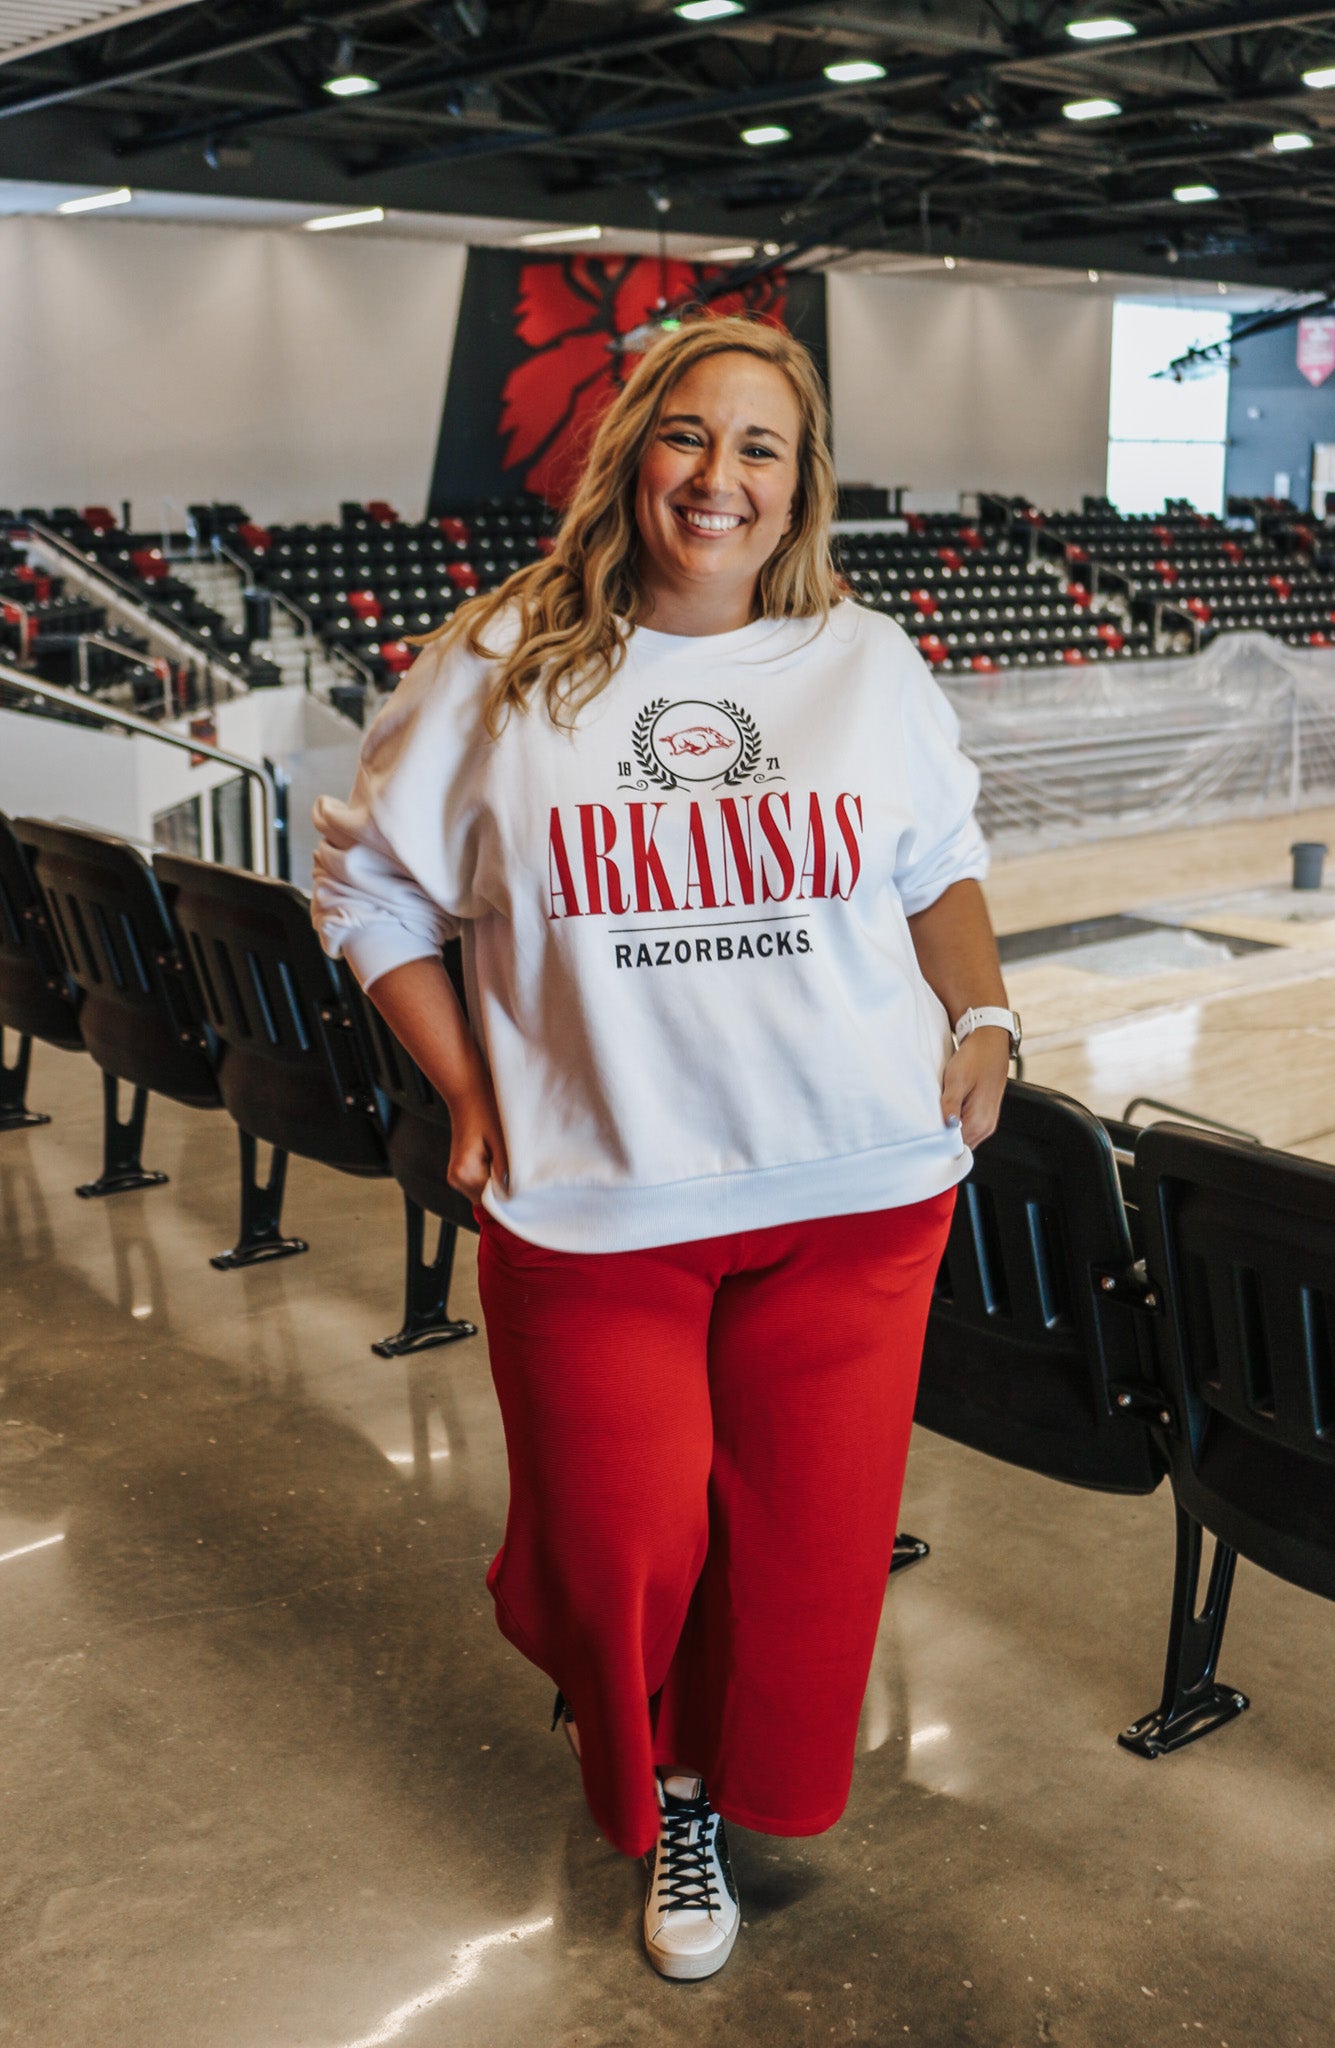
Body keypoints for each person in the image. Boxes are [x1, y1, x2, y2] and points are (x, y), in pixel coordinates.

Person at [311, 312, 1017, 1983]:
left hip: (855, 1194)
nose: (721, 476)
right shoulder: (496, 664)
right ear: (632, 453)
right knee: (623, 1543)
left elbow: (937, 858)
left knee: (798, 1552)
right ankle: (605, 1669)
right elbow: (366, 889)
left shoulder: (865, 657)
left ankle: (694, 1794)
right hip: (595, 1198)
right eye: (689, 436)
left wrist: (985, 1023)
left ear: (801, 483)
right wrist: (468, 1090)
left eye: (759, 447)